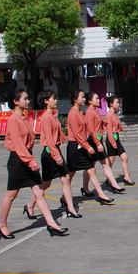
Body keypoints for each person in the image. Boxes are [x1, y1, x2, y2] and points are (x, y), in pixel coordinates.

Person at [0, 89, 69, 239]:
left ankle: (52, 224)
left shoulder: (24, 119)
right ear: (16, 101)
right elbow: (18, 144)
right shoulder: (13, 120)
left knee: (39, 193)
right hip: (18, 161)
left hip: (27, 158)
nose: (28, 101)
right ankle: (2, 225)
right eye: (25, 99)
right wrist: (31, 161)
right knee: (11, 195)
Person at [24, 90, 81, 219]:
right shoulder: (46, 117)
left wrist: (63, 139)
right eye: (53, 99)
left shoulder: (53, 115)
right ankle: (30, 205)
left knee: (65, 178)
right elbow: (49, 140)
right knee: (46, 184)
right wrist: (57, 156)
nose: (56, 101)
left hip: (55, 150)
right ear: (46, 101)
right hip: (50, 152)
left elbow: (57, 132)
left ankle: (70, 208)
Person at [66, 89, 114, 205]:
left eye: (84, 97)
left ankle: (101, 195)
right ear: (75, 99)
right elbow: (77, 134)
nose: (84, 99)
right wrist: (88, 146)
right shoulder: (73, 113)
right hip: (75, 146)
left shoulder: (80, 112)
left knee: (91, 169)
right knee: (70, 174)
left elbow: (88, 129)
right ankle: (64, 197)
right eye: (82, 97)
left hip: (81, 145)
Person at [81, 91, 126, 195]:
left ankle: (114, 184)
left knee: (105, 163)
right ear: (90, 101)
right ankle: (85, 187)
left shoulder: (95, 111)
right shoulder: (89, 112)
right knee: (90, 166)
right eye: (96, 98)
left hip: (98, 140)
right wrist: (97, 143)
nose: (98, 100)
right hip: (93, 141)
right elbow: (91, 129)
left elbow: (100, 123)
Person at [105, 96, 135, 186]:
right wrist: (113, 143)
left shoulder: (114, 114)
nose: (119, 104)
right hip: (111, 139)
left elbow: (119, 127)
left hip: (116, 138)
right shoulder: (109, 115)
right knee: (111, 160)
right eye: (117, 102)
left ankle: (126, 177)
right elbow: (109, 131)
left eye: (119, 103)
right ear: (111, 104)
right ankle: (109, 179)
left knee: (125, 157)